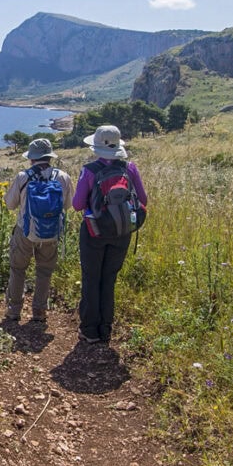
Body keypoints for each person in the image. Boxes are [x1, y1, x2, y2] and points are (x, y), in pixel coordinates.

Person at [72, 125, 148, 344]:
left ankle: (89, 330)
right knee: (109, 279)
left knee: (91, 278)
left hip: (93, 232)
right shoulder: (129, 168)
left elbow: (77, 205)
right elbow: (143, 201)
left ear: (96, 147)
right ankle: (106, 329)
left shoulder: (89, 170)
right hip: (122, 232)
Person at [3, 138, 73, 323]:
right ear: (50, 157)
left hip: (24, 231)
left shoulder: (23, 177)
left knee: (18, 269)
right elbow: (68, 205)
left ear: (31, 159)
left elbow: (10, 204)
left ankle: (14, 310)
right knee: (44, 271)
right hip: (51, 232)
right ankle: (39, 311)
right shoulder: (63, 177)